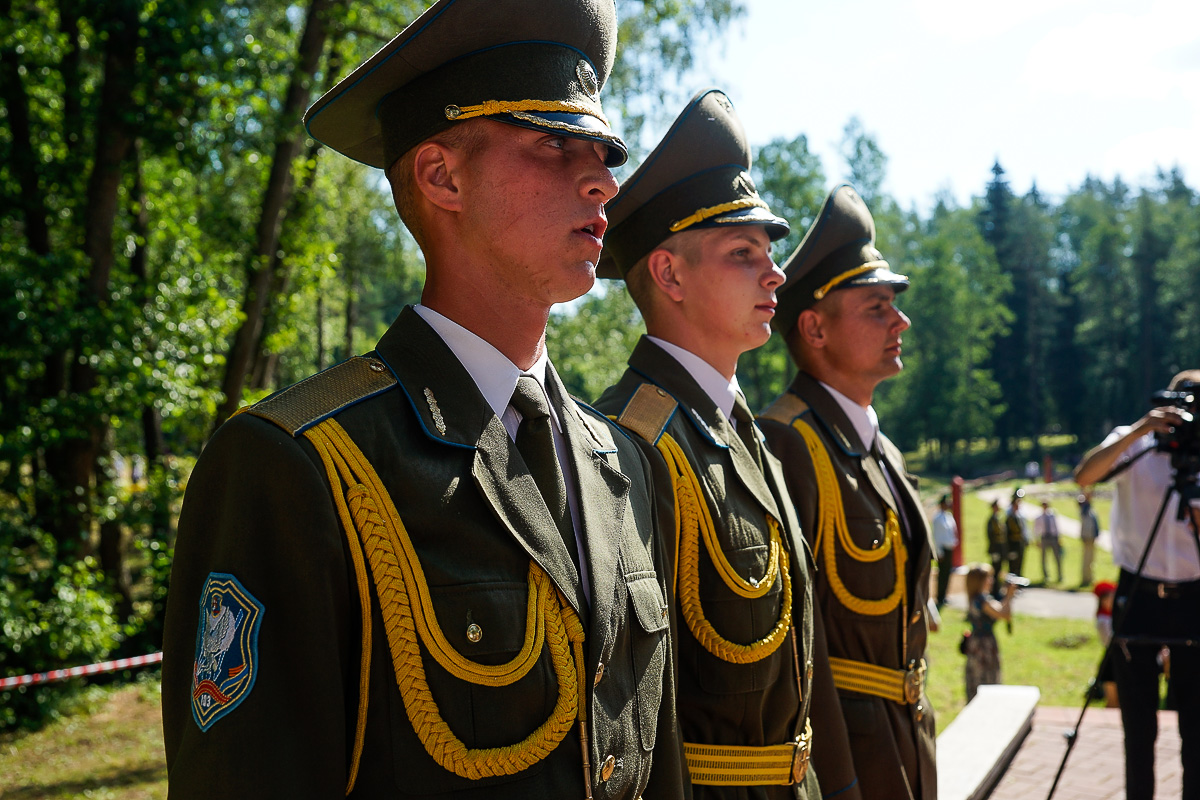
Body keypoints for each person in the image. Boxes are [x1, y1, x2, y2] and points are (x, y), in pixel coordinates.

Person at [159, 2, 687, 797]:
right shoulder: (299, 464)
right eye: (553, 143)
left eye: (603, 151)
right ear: (442, 176)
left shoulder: (625, 465)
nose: (604, 179)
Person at [592, 88, 821, 799]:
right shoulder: (632, 439)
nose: (776, 272)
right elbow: (627, 706)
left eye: (768, 252)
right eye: (742, 252)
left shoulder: (738, 428)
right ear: (669, 274)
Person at [757, 184, 937, 800]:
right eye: (876, 307)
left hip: (906, 741)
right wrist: (841, 780)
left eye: (895, 305)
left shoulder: (877, 446)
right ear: (814, 327)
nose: (900, 321)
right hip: (854, 757)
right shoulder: (786, 442)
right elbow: (802, 645)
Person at [1075, 369, 1200, 800]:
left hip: (1194, 594)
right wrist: (1142, 428)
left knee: (1197, 731)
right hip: (1139, 589)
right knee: (1138, 727)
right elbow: (1084, 476)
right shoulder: (1136, 442)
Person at [962, 564, 1016, 701]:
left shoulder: (977, 598)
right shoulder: (982, 600)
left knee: (977, 678)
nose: (991, 581)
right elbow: (1004, 614)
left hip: (977, 642)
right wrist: (1009, 596)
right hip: (984, 645)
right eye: (988, 578)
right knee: (986, 679)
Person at [1093, 580, 1119, 708]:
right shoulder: (1103, 620)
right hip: (1112, 659)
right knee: (1112, 702)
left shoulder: (1112, 616)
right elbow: (1109, 641)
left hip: (1118, 658)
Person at [932, 494, 958, 607]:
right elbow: (936, 536)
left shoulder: (948, 516)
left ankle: (945, 595)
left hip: (949, 548)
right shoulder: (937, 518)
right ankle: (939, 596)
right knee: (942, 574)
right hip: (942, 549)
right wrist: (939, 552)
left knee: (947, 573)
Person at [1035, 500, 1063, 584]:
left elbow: (1057, 526)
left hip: (1053, 537)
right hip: (1044, 538)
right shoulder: (1039, 517)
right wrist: (1037, 540)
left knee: (1057, 557)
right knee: (1044, 558)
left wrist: (1059, 538)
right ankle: (1045, 576)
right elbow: (1036, 529)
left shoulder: (1052, 515)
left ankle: (1059, 575)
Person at [1005, 488, 1029, 579]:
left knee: (1019, 563)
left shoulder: (1020, 515)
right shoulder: (1009, 517)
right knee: (1013, 564)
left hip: (1019, 543)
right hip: (1012, 544)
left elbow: (1024, 529)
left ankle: (1018, 581)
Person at [1078, 490, 1100, 586]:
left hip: (1092, 538)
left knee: (1091, 559)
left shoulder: (1090, 510)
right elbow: (1083, 503)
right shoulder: (1084, 510)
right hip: (1087, 537)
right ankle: (1085, 578)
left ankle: (1090, 578)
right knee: (1087, 559)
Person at [985, 499, 1006, 598]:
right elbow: (990, 536)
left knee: (999, 570)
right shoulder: (991, 520)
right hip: (995, 549)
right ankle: (993, 591)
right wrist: (993, 551)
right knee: (995, 571)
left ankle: (997, 589)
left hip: (1000, 549)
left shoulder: (998, 519)